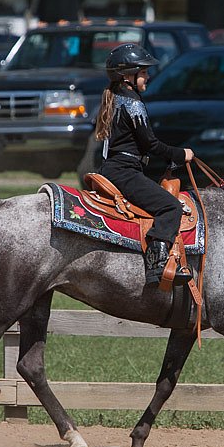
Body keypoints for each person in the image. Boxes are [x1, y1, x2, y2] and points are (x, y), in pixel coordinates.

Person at [94, 43, 194, 285]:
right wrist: (181, 154)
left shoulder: (114, 98)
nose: (148, 76)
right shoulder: (133, 103)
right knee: (170, 207)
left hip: (113, 168)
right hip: (124, 172)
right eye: (144, 72)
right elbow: (151, 144)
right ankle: (157, 265)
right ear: (128, 75)